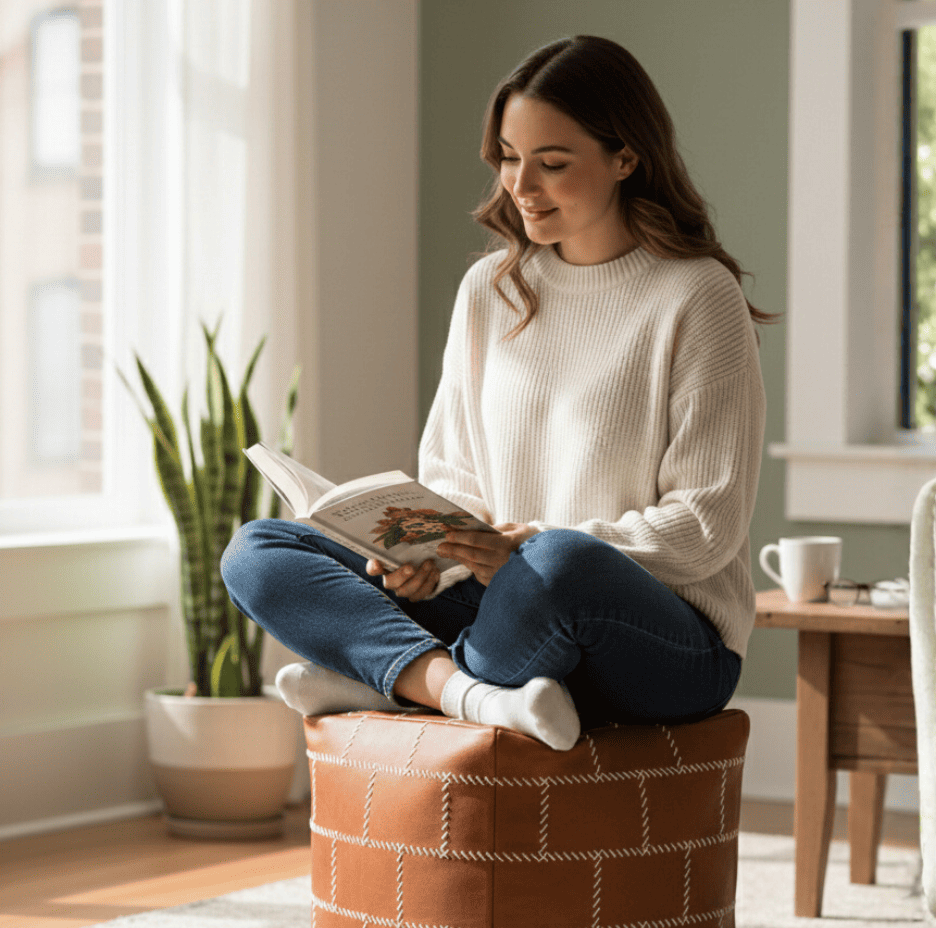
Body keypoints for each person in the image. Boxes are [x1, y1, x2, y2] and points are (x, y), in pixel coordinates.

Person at [221, 35, 769, 751]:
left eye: (552, 163)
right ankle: (460, 690)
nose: (521, 185)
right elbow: (455, 479)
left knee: (560, 565)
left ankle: (402, 685)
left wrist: (531, 546)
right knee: (258, 550)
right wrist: (429, 558)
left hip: (660, 637)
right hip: (503, 608)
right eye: (509, 158)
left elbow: (704, 525)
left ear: (626, 158)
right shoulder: (491, 290)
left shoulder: (697, 295)